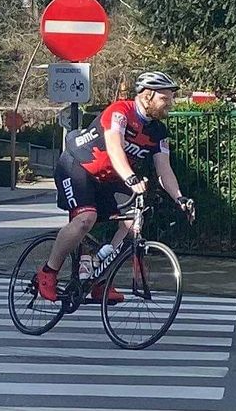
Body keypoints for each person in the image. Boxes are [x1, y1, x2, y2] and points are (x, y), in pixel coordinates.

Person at [39, 71, 195, 302]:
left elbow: (164, 169)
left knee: (133, 224)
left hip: (110, 177)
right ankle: (48, 273)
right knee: (85, 219)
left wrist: (180, 198)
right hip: (78, 166)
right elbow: (114, 148)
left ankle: (100, 281)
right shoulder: (120, 112)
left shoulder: (158, 131)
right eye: (165, 98)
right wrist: (131, 178)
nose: (170, 104)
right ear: (147, 95)